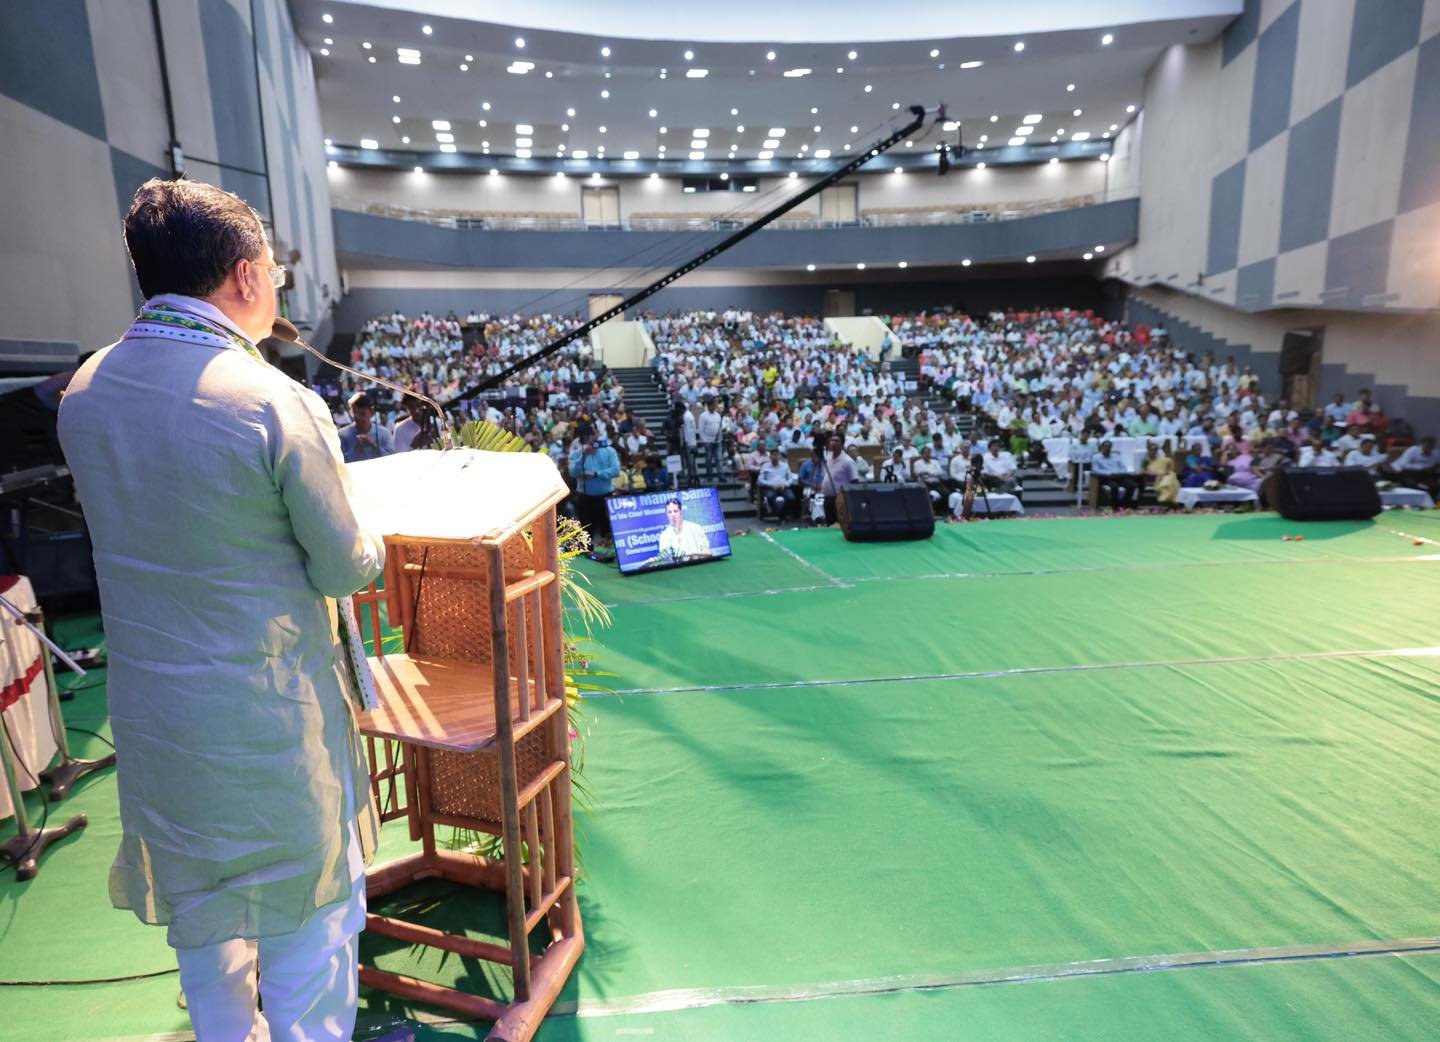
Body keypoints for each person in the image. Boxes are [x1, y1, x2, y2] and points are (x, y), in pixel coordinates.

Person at [56, 178, 388, 1042]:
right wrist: (370, 526)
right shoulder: (273, 401)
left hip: (158, 725)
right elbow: (345, 566)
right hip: (269, 726)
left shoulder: (84, 391)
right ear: (246, 274)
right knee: (308, 949)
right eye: (274, 269)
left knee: (210, 951)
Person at [568, 433, 620, 546]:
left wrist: (596, 474)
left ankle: (609, 549)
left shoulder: (609, 451)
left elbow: (616, 470)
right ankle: (586, 550)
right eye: (588, 434)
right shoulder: (576, 453)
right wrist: (583, 456)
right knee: (585, 531)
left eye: (592, 433)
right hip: (585, 498)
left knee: (607, 530)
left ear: (597, 434)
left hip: (605, 496)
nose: (590, 438)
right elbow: (573, 473)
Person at [337, 391, 394, 462]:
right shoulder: (342, 435)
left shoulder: (384, 434)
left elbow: (392, 459)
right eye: (354, 412)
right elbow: (338, 463)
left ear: (372, 412)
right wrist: (356, 449)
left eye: (362, 413)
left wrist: (373, 445)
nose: (357, 417)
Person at [819, 434, 859, 525]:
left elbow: (854, 481)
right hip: (827, 498)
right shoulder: (828, 457)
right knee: (829, 525)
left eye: (837, 441)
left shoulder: (848, 461)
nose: (833, 443)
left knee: (840, 525)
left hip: (840, 499)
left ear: (842, 444)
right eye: (832, 440)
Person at [1090, 440, 1138, 509]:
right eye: (1106, 446)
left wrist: (1119, 472)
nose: (1107, 448)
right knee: (1114, 487)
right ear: (1101, 448)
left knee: (1132, 485)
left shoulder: (1116, 456)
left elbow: (1123, 467)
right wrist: (1109, 473)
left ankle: (1124, 503)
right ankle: (1115, 505)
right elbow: (1095, 470)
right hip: (1107, 477)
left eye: (1109, 447)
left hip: (1119, 476)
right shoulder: (1096, 457)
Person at [756, 448, 797, 519]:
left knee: (791, 498)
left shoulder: (785, 465)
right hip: (770, 488)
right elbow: (760, 480)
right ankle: (780, 513)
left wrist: (785, 485)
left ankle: (782, 513)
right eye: (774, 455)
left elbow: (790, 479)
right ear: (770, 457)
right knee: (770, 496)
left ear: (780, 456)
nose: (775, 457)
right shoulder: (765, 466)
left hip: (783, 487)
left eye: (777, 455)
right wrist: (771, 485)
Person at [698, 399, 723, 482]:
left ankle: (721, 475)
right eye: (713, 405)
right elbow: (701, 429)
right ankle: (709, 475)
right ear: (709, 406)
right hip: (708, 441)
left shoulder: (718, 415)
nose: (715, 406)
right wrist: (704, 440)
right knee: (709, 459)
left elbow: (720, 427)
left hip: (718, 440)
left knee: (719, 458)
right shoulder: (703, 416)